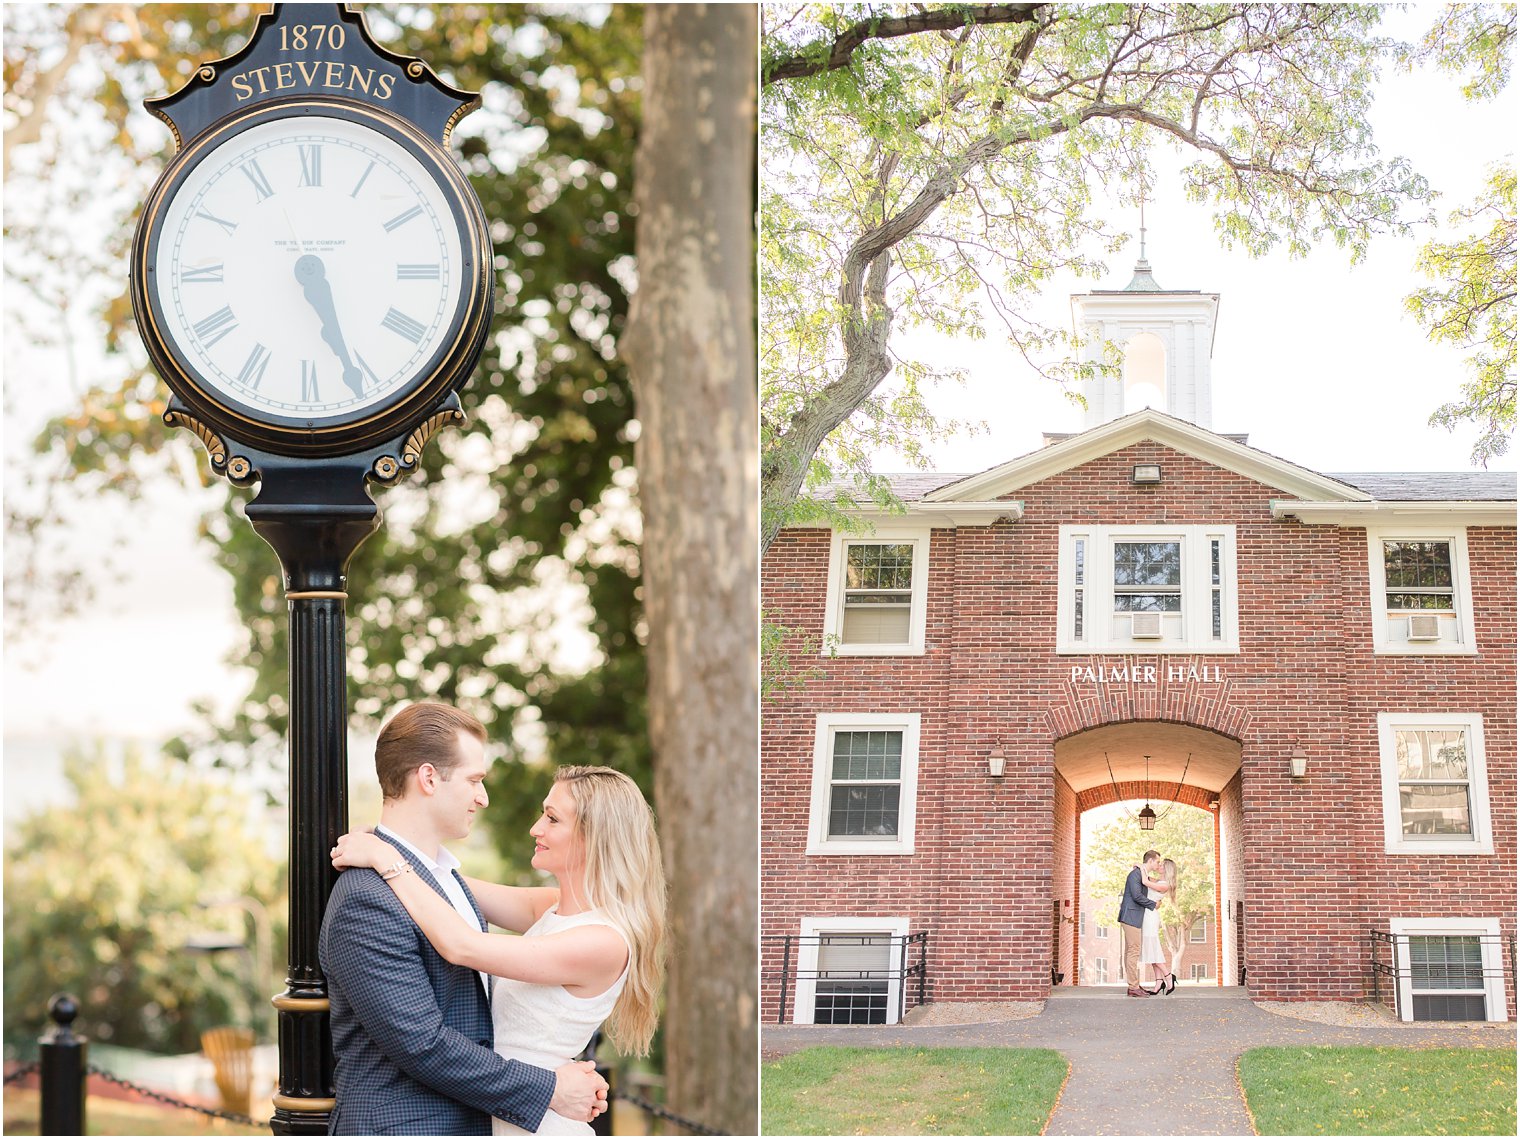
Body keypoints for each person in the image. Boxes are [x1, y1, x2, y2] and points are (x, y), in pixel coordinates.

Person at [318, 703, 610, 1135]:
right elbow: (423, 1045)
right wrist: (548, 1088)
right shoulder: (366, 898)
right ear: (429, 777)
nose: (483, 797)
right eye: (475, 780)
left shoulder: (441, 881)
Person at [1117, 849, 1161, 997]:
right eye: (1157, 861)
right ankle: (1133, 987)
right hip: (1130, 917)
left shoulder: (1140, 873)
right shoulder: (1135, 874)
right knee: (1133, 951)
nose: (1158, 864)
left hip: (1132, 917)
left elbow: (1151, 882)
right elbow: (1136, 896)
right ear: (1150, 861)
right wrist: (1153, 904)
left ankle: (1133, 985)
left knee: (1131, 951)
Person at [1138, 857, 1177, 994]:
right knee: (1151, 950)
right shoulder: (1159, 881)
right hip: (1148, 915)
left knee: (1152, 948)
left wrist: (1141, 867)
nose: (1159, 866)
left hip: (1150, 917)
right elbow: (1148, 878)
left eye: (1161, 865)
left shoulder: (1164, 884)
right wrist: (1140, 868)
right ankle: (1158, 983)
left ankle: (1168, 976)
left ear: (1166, 869)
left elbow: (1144, 881)